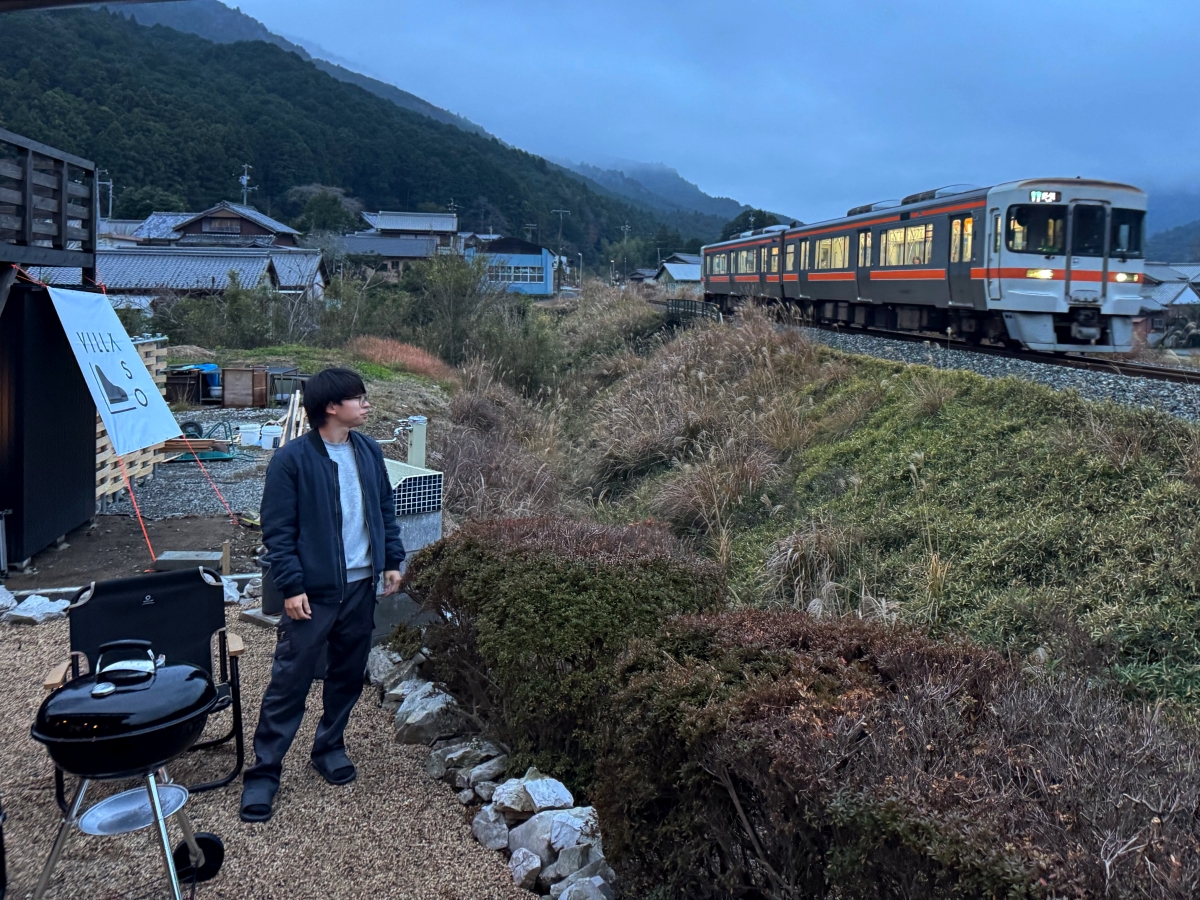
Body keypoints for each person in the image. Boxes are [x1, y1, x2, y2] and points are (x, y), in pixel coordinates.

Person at [240, 367, 405, 822]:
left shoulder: (368, 450)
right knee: (289, 681)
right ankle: (264, 773)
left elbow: (384, 510)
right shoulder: (291, 460)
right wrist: (291, 586)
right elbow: (278, 530)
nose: (366, 404)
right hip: (314, 593)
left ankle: (329, 747)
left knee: (347, 675)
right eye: (358, 398)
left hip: (361, 586)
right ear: (331, 407)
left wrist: (392, 560)